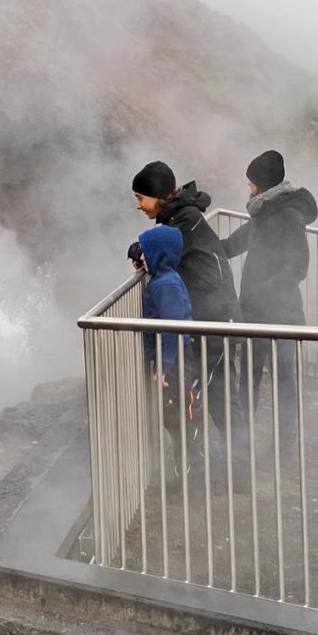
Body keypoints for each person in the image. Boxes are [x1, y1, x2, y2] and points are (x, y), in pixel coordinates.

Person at [131, 161, 248, 476]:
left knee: (213, 395)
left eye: (141, 197)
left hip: (216, 318)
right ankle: (232, 467)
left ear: (158, 196)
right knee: (217, 394)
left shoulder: (186, 219)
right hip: (212, 317)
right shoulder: (179, 217)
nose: (138, 204)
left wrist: (140, 250)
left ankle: (229, 470)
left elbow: (160, 247)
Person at [222, 150, 318, 440]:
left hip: (281, 314)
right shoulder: (264, 212)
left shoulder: (288, 215)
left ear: (263, 185)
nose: (248, 188)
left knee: (283, 379)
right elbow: (232, 245)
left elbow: (298, 265)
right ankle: (244, 442)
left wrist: (266, 292)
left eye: (251, 183)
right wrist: (197, 247)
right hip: (255, 312)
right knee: (249, 378)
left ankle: (284, 447)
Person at [136, 225, 202, 478]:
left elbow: (171, 329)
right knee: (174, 413)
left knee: (178, 415)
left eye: (145, 252)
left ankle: (190, 472)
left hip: (175, 360)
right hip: (175, 358)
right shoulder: (165, 279)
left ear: (158, 253)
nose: (141, 257)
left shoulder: (166, 286)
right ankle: (187, 467)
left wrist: (163, 367)